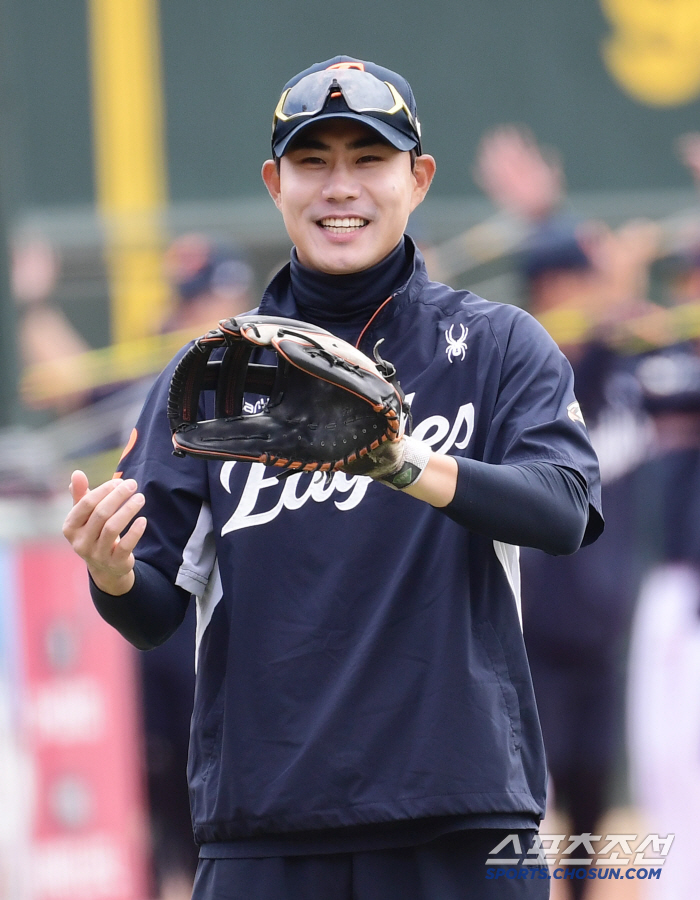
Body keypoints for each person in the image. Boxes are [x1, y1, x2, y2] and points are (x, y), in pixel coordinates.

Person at [63, 56, 603, 900]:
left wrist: (401, 461)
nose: (339, 187)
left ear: (417, 178)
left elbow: (566, 510)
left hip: (458, 816)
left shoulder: (499, 345)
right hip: (265, 826)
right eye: (313, 162)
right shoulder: (214, 375)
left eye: (369, 159)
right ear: (276, 183)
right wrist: (112, 573)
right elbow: (152, 613)